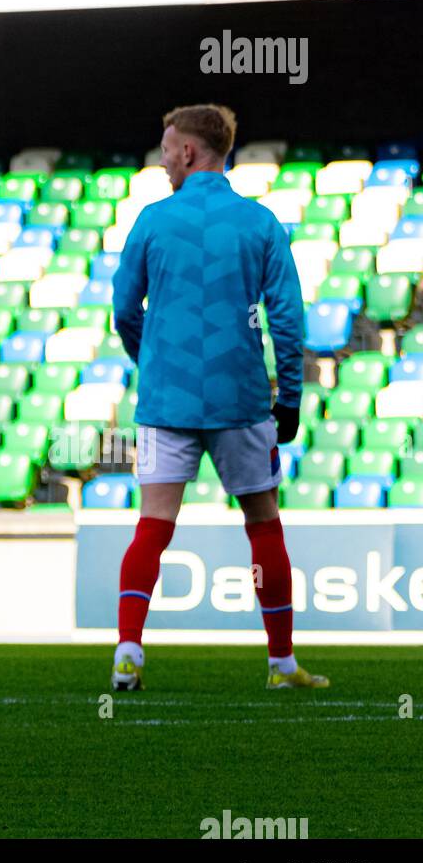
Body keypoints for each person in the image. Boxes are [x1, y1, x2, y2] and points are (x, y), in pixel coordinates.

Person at [111, 105, 326, 695]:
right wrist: (291, 398)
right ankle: (282, 665)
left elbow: (124, 310)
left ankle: (128, 652)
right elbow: (287, 318)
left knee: (153, 525)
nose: (161, 158)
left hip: (166, 402)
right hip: (242, 397)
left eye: (165, 147)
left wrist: (149, 362)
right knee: (263, 525)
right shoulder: (259, 222)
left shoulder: (152, 221)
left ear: (188, 152)